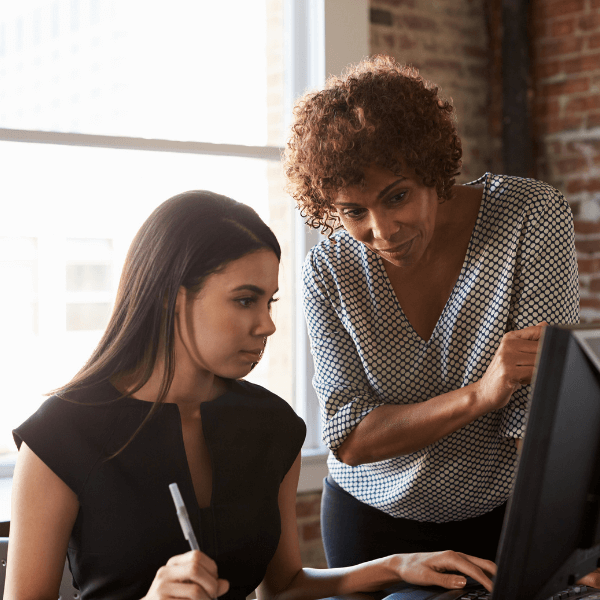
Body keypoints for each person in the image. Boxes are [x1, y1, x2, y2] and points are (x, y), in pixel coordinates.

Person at [5, 190, 496, 600]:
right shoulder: (59, 437)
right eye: (244, 300)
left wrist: (397, 566)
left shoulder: (272, 426)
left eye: (269, 301)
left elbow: (282, 586)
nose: (267, 325)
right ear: (169, 297)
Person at [283, 55, 581, 569]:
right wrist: (481, 394)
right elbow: (350, 436)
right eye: (354, 211)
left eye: (396, 196)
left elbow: (536, 416)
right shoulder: (327, 271)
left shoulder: (528, 216)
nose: (384, 230)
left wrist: (570, 545)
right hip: (369, 524)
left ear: (432, 169)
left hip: (504, 516)